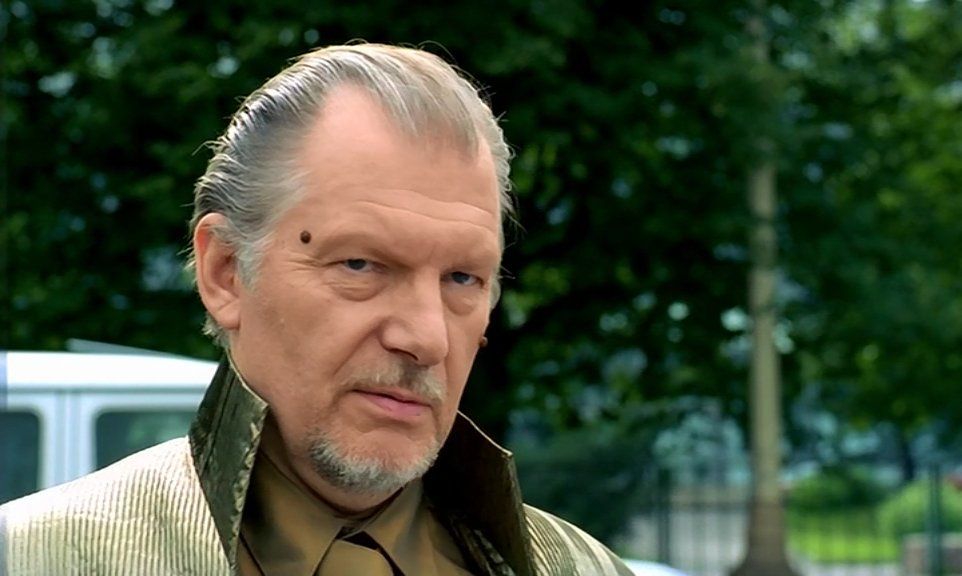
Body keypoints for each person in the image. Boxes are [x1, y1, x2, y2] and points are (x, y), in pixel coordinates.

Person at [0, 43, 633, 576]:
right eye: (360, 265)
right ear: (225, 272)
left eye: (462, 278)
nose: (427, 337)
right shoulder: (35, 558)